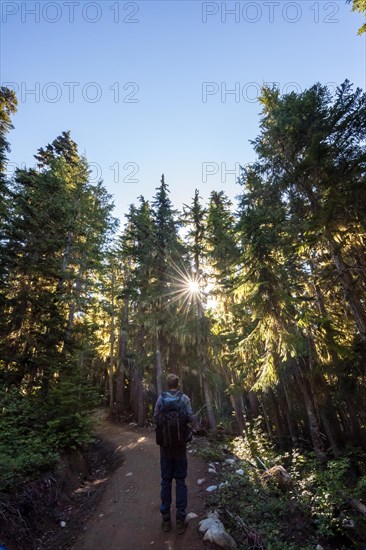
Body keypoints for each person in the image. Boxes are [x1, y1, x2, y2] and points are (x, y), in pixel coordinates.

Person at [154, 373, 195, 534]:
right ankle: (180, 519)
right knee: (180, 481)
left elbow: (156, 417)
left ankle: (165, 520)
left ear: (167, 384)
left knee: (165, 480)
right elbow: (190, 418)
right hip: (180, 447)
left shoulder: (161, 399)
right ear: (178, 384)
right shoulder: (184, 399)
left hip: (165, 447)